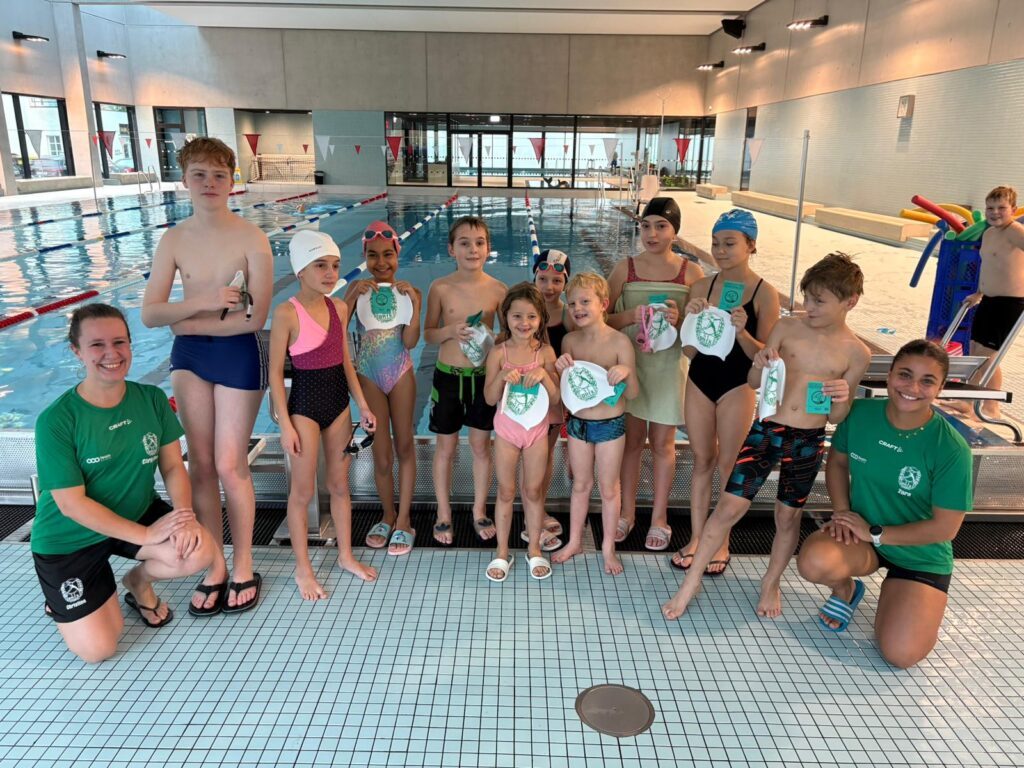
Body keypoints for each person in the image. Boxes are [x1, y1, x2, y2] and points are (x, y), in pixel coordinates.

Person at [662, 252, 871, 620]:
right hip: (766, 429)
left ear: (850, 301)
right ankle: (690, 583)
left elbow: (837, 415)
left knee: (787, 518)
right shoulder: (788, 328)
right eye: (807, 297)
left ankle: (770, 582)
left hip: (807, 439)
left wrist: (842, 396)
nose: (810, 306)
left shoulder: (857, 352)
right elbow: (755, 383)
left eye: (819, 301)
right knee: (729, 506)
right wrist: (758, 365)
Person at [33, 304, 220, 662]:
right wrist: (147, 537)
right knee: (100, 649)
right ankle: (64, 597)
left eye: (119, 342)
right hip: (69, 538)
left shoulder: (149, 399)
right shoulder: (57, 420)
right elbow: (72, 505)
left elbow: (172, 467)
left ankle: (137, 582)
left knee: (197, 549)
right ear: (77, 351)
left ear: (131, 345)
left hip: (134, 514)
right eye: (97, 345)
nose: (111, 354)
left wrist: (183, 516)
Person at [142, 137, 272, 614]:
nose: (210, 183)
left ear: (232, 180)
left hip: (237, 353)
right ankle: (214, 564)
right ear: (185, 180)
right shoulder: (174, 239)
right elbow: (151, 314)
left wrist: (182, 318)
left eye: (219, 174)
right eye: (200, 174)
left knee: (228, 464)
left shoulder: (251, 238)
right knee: (198, 464)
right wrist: (204, 302)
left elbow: (254, 319)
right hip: (191, 356)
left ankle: (243, 562)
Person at [797, 340, 972, 668]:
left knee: (900, 654)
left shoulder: (950, 449)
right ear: (889, 375)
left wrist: (875, 532)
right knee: (814, 562)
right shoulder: (862, 415)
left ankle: (901, 599)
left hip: (918, 556)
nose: (913, 387)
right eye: (905, 375)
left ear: (941, 388)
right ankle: (846, 589)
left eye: (927, 381)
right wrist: (842, 512)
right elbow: (836, 462)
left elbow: (945, 528)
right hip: (862, 536)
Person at [269, 230, 378, 600]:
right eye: (321, 265)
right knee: (301, 492)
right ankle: (303, 570)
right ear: (300, 270)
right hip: (303, 408)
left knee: (340, 485)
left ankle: (345, 555)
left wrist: (362, 404)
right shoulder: (286, 312)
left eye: (334, 265)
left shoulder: (340, 308)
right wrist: (284, 424)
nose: (331, 273)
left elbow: (346, 362)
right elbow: (273, 376)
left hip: (338, 404)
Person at [673, 210, 780, 576]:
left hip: (738, 384)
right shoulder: (701, 286)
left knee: (728, 465)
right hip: (701, 380)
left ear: (751, 246)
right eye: (716, 243)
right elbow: (687, 351)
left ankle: (723, 540)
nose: (720, 250)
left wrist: (742, 332)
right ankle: (697, 537)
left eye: (730, 243)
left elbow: (765, 357)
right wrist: (690, 320)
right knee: (702, 462)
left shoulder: (765, 294)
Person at [608, 197, 703, 551]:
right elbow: (599, 321)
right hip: (631, 365)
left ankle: (659, 517)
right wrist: (629, 317)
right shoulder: (625, 269)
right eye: (646, 225)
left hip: (667, 367)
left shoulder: (690, 274)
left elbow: (700, 333)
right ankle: (627, 512)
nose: (651, 233)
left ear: (675, 231)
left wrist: (684, 320)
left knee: (663, 445)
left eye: (661, 226)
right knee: (631, 444)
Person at [423, 216, 507, 545]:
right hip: (448, 378)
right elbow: (429, 334)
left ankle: (479, 509)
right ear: (451, 249)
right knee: (445, 449)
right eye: (464, 243)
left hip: (483, 379)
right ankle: (444, 513)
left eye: (479, 243)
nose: (473, 249)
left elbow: (506, 335)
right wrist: (449, 331)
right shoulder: (440, 287)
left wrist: (493, 337)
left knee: (481, 447)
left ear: (488, 249)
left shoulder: (498, 290)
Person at [552, 272, 638, 575]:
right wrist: (560, 368)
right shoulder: (569, 340)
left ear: (604, 304)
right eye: (572, 302)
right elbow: (569, 390)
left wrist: (625, 373)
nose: (578, 308)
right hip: (578, 424)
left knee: (609, 489)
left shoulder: (620, 342)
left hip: (610, 426)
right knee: (581, 485)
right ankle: (575, 540)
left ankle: (607, 548)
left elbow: (636, 393)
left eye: (585, 301)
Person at [344, 221, 421, 556]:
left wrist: (416, 305)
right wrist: (349, 298)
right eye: (373, 255)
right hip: (368, 374)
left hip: (400, 371)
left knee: (404, 445)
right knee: (381, 452)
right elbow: (338, 334)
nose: (381, 262)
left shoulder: (406, 293)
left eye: (388, 254)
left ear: (397, 255)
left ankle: (404, 519)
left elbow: (410, 340)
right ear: (364, 256)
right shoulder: (360, 293)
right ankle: (387, 514)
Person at [482, 283, 560, 581]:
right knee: (505, 490)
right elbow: (490, 399)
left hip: (536, 433)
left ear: (541, 319)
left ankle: (535, 550)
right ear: (506, 317)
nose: (524, 323)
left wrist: (545, 376)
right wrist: (502, 376)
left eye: (531, 317)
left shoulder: (546, 353)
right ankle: (502, 552)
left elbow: (556, 400)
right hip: (506, 432)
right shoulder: (498, 353)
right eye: (517, 316)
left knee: (533, 490)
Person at [963, 185, 1024, 418]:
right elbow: (987, 266)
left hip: (1009, 304)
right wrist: (979, 293)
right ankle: (969, 402)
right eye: (990, 208)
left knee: (989, 356)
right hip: (988, 300)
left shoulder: (1015, 231)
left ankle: (991, 407)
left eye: (1001, 208)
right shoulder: (988, 233)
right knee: (974, 352)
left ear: (1014, 210)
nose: (995, 212)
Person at [532, 248, 575, 547]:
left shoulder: (570, 314)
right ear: (533, 277)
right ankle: (530, 512)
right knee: (532, 456)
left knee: (545, 455)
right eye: (543, 278)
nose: (549, 286)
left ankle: (540, 507)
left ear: (566, 283)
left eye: (556, 281)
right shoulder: (524, 309)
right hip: (527, 397)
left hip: (555, 397)